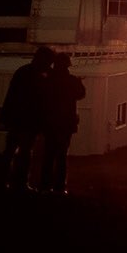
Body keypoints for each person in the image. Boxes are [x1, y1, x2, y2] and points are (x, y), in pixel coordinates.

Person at [1, 46, 53, 191]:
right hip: (29, 120)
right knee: (24, 152)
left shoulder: (23, 72)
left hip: (18, 118)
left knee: (11, 151)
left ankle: (6, 181)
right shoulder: (44, 74)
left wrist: (5, 115)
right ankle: (20, 183)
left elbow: (11, 95)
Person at [39, 52, 85, 195]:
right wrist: (79, 82)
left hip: (49, 123)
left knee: (48, 155)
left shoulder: (47, 81)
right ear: (67, 66)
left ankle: (44, 185)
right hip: (65, 124)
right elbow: (81, 94)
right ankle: (59, 187)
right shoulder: (72, 81)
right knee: (61, 156)